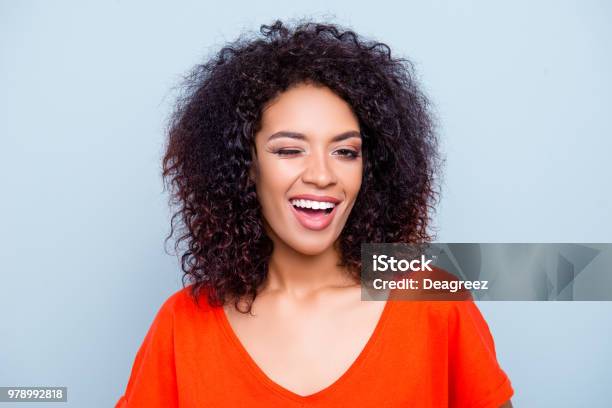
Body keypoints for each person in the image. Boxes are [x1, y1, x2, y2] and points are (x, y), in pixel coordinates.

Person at [116, 19, 514, 407]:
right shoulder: (182, 324)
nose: (323, 175)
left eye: (345, 152)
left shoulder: (432, 301)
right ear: (246, 166)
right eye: (289, 150)